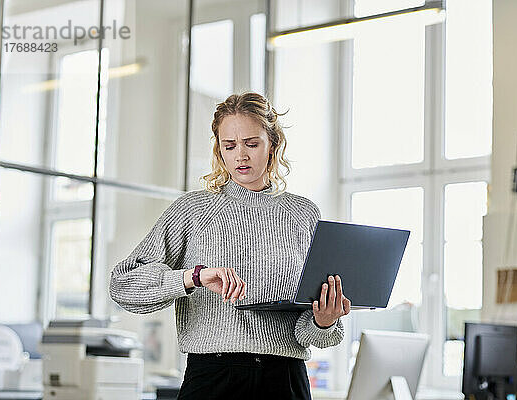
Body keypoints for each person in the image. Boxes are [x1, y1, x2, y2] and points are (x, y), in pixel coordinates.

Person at [109, 92, 352, 399]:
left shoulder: (304, 214)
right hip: (215, 378)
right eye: (229, 145)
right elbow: (123, 284)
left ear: (273, 145)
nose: (241, 156)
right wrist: (192, 277)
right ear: (219, 149)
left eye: (252, 143)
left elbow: (308, 332)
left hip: (286, 379)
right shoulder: (193, 209)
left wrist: (324, 320)